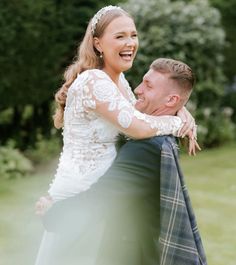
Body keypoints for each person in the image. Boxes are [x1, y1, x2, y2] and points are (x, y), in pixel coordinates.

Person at [35, 4, 199, 264]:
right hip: (79, 197)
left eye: (133, 35)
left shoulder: (118, 83)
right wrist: (178, 123)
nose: (130, 43)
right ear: (98, 44)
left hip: (104, 199)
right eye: (120, 36)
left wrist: (181, 110)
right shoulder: (93, 82)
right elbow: (139, 126)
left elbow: (141, 114)